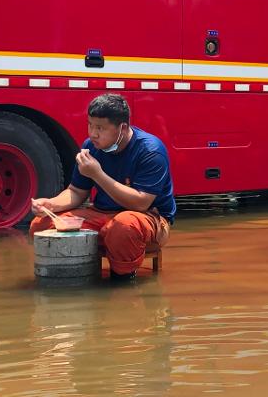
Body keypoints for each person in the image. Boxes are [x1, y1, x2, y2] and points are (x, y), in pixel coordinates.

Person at [30, 94, 176, 280]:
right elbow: (76, 191)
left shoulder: (151, 150)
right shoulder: (91, 146)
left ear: (122, 128)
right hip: (102, 214)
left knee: (123, 227)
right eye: (90, 124)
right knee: (41, 225)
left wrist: (97, 174)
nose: (93, 133)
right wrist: (51, 204)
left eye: (100, 128)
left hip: (148, 217)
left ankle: (122, 281)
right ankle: (76, 278)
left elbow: (141, 203)